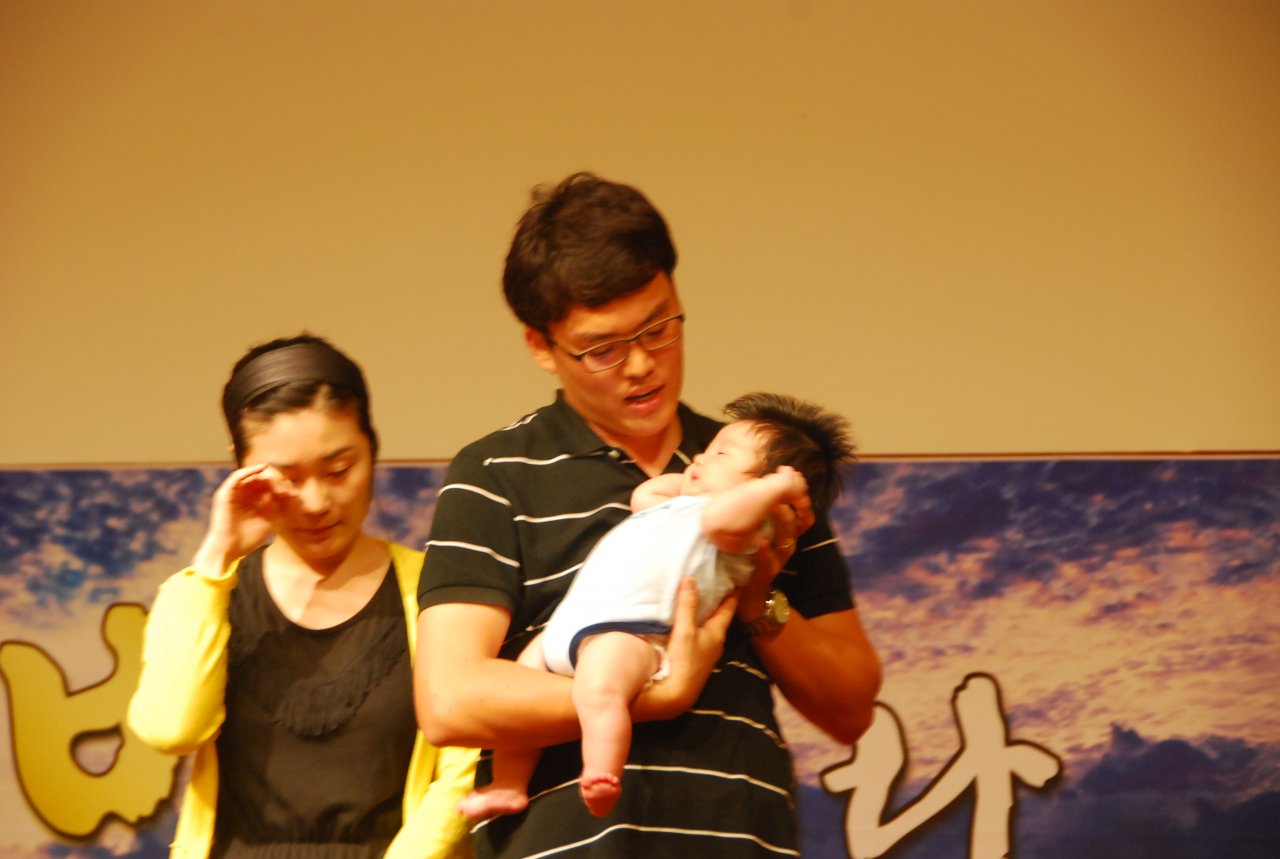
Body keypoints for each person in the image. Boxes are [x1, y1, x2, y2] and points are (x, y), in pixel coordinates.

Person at [414, 172, 882, 858]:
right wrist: (654, 697)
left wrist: (759, 595)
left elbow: (851, 707)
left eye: (659, 328)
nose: (641, 365)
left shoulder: (755, 465)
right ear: (542, 346)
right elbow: (450, 700)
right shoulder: (496, 472)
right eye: (603, 348)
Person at [127, 335, 476, 859]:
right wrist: (217, 556)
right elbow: (171, 729)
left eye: (339, 470)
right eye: (287, 477)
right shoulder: (206, 592)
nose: (316, 501)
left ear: (372, 449)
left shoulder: (438, 590)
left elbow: (460, 775)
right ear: (241, 468)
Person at [458, 392, 857, 821]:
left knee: (600, 691)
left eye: (721, 454)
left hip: (633, 632)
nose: (700, 458)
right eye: (706, 450)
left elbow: (724, 517)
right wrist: (697, 479)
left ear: (765, 489)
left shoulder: (738, 529)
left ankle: (601, 770)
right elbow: (645, 494)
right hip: (572, 627)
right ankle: (509, 784)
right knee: (523, 689)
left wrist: (773, 490)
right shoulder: (681, 508)